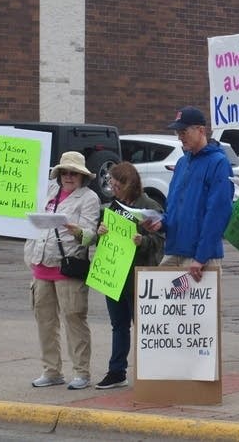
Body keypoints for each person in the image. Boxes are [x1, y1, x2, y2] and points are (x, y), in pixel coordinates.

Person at [0, 151, 100, 390]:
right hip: (40, 264)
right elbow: (13, 205)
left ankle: (81, 372)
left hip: (67, 267)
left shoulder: (89, 198)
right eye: (64, 172)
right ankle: (51, 370)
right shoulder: (47, 191)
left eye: (73, 173)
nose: (68, 176)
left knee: (74, 320)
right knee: (45, 321)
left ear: (82, 176)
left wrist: (72, 228)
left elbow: (89, 237)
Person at [94, 162, 164, 389]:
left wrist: (142, 241)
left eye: (117, 186)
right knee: (119, 325)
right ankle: (117, 371)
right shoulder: (113, 206)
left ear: (130, 184)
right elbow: (103, 236)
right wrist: (100, 232)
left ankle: (150, 372)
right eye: (111, 185)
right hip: (115, 273)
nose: (113, 190)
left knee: (144, 326)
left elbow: (161, 241)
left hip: (139, 275)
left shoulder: (148, 205)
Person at [143, 106, 234, 280]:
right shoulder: (182, 163)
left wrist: (201, 257)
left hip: (200, 258)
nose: (180, 136)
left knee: (202, 308)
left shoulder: (219, 163)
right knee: (164, 306)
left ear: (201, 130)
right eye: (178, 132)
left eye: (184, 131)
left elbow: (218, 213)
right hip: (174, 251)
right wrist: (161, 223)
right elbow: (174, 207)